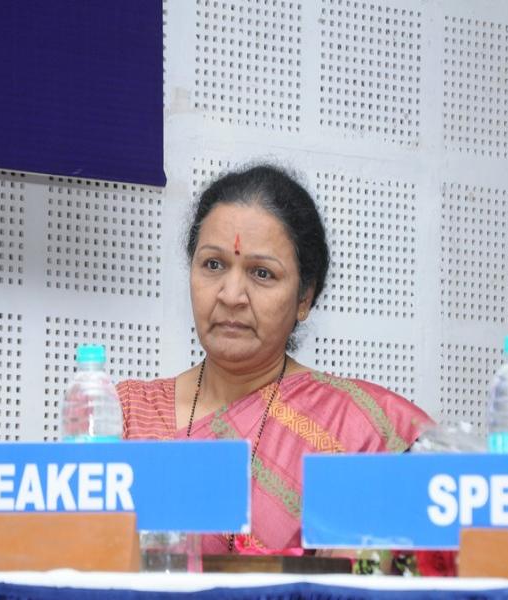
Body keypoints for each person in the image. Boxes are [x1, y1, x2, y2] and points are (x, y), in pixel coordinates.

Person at [118, 164, 432, 555]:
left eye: (262, 273)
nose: (231, 295)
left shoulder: (358, 428)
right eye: (213, 265)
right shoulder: (127, 416)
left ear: (304, 298)